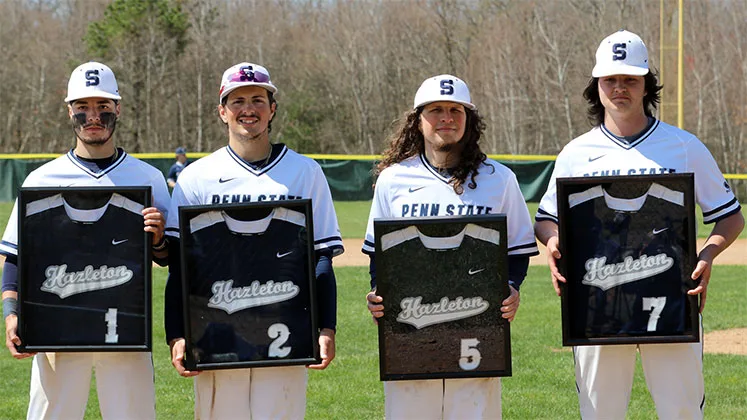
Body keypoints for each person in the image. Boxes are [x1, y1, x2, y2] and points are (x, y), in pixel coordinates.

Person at [534, 30, 744, 419]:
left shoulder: (683, 146)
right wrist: (553, 246)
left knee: (681, 411)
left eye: (630, 79)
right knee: (600, 412)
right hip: (598, 305)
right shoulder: (576, 153)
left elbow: (730, 216)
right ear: (596, 85)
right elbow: (546, 220)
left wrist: (709, 253)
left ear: (646, 83)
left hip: (672, 302)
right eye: (610, 79)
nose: (619, 88)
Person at [164, 62, 344, 419]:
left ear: (272, 108)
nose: (249, 108)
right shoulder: (196, 177)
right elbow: (180, 266)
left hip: (285, 327)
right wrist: (176, 334)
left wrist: (326, 327)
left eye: (258, 99)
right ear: (222, 111)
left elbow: (321, 256)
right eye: (238, 100)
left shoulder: (305, 171)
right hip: (215, 329)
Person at [0, 62, 170, 419]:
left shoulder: (148, 178)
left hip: (126, 329)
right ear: (69, 111)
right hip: (56, 326)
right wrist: (11, 313)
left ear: (118, 110)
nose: (93, 116)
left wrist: (157, 239)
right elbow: (15, 256)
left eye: (103, 107)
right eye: (83, 107)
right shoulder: (42, 179)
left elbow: (169, 256)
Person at [363, 74, 539, 419]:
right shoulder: (394, 179)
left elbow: (517, 250)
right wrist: (376, 291)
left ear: (468, 120)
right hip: (410, 328)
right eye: (437, 110)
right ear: (418, 121)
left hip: (479, 327)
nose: (447, 118)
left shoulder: (499, 179)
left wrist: (512, 287)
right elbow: (378, 254)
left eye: (456, 110)